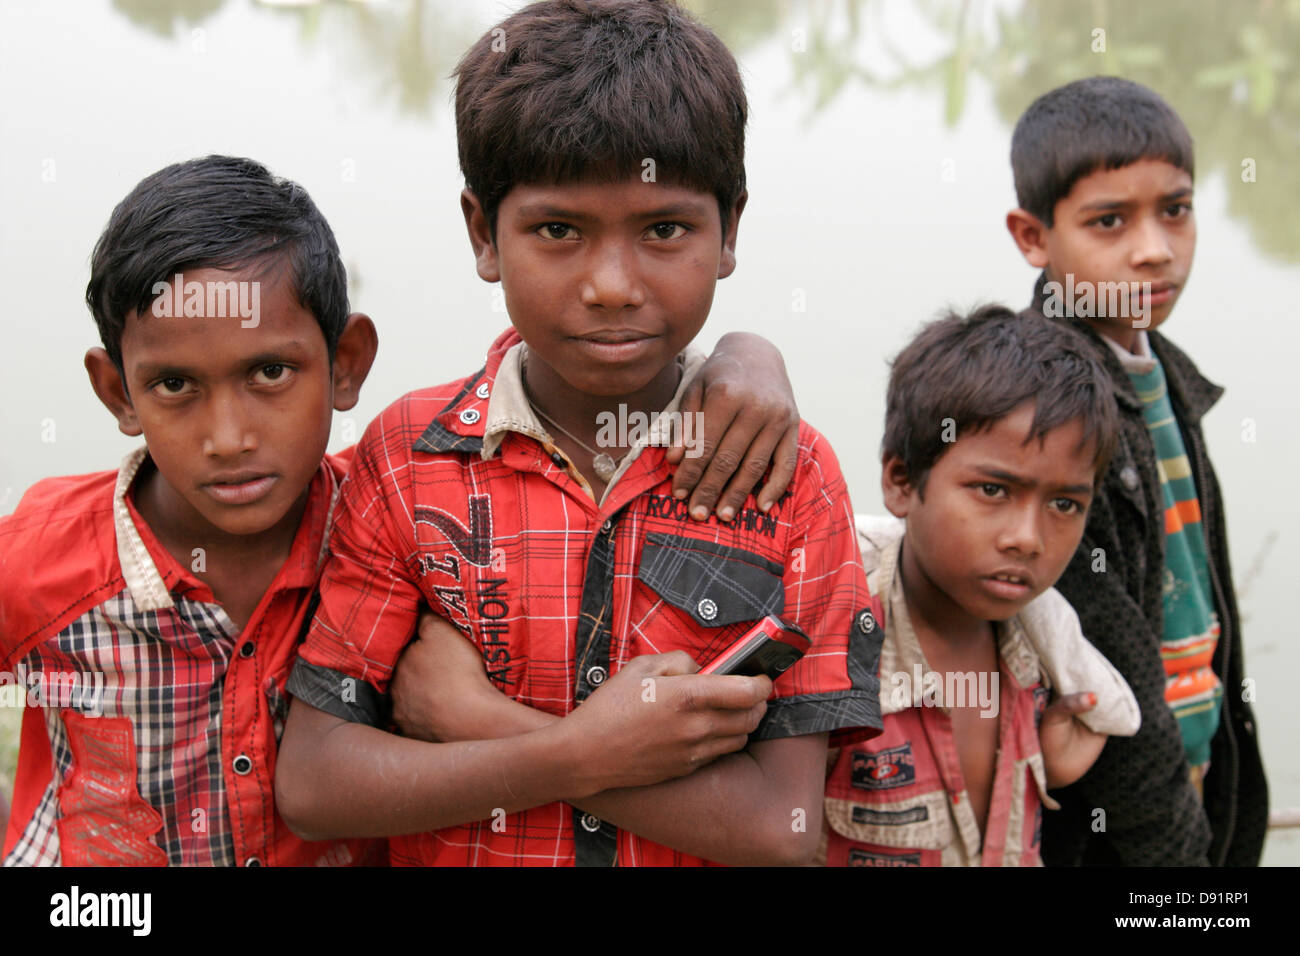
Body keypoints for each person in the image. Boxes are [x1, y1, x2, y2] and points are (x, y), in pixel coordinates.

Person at [0, 154, 800, 867]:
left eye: (271, 372)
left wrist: (744, 353)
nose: (229, 438)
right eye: (175, 385)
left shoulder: (396, 516)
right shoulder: (39, 562)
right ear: (117, 392)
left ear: (346, 365)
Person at [274, 0, 883, 867]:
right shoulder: (410, 460)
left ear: (730, 231)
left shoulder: (787, 475)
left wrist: (487, 728)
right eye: (558, 230)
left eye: (664, 230)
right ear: (483, 233)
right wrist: (579, 753)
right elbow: (317, 784)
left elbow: (777, 830)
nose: (610, 286)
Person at [1005, 76, 1268, 866]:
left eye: (1175, 210)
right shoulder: (1046, 409)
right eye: (1109, 221)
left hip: (1200, 762)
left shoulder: (1166, 376)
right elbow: (1109, 677)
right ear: (1033, 237)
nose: (1154, 247)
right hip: (1112, 813)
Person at [821, 305, 1139, 866]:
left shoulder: (1045, 660)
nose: (1028, 538)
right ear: (900, 480)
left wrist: (1048, 762)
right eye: (993, 490)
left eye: (1065, 504)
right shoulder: (827, 653)